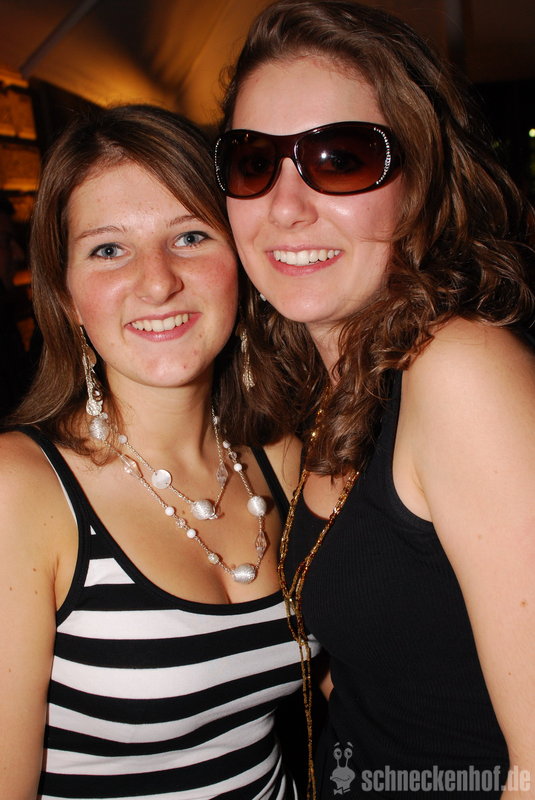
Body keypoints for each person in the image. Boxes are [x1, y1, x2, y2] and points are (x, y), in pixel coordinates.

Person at [215, 1, 535, 797]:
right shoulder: (331, 391)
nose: (285, 206)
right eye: (253, 163)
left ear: (419, 182)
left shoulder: (459, 369)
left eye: (340, 157)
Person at [0, 103, 314, 800]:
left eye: (191, 236)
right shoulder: (19, 491)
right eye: (109, 250)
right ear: (66, 294)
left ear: (241, 259)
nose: (157, 281)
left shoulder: (288, 460)